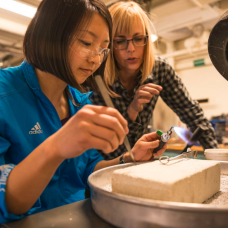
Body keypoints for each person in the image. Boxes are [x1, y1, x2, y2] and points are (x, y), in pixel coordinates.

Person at [0, 0, 167, 224]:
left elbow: (88, 168)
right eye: (86, 42)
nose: (95, 58)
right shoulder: (5, 95)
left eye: (103, 48)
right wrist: (55, 147)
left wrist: (128, 158)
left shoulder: (80, 103)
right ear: (49, 34)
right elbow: (8, 202)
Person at [90, 1, 218, 160]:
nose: (131, 49)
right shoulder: (95, 78)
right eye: (121, 41)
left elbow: (193, 115)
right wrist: (132, 112)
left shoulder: (160, 70)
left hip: (142, 163)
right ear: (109, 44)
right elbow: (111, 151)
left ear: (147, 40)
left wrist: (216, 158)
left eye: (138, 38)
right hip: (103, 169)